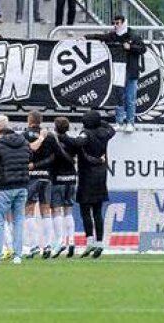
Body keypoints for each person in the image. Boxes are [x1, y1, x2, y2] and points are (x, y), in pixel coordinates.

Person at [60, 110, 115, 258]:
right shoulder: (104, 133)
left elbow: (77, 143)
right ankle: (100, 243)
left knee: (85, 210)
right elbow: (112, 130)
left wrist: (61, 136)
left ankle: (90, 241)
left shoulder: (86, 134)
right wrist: (101, 122)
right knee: (97, 211)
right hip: (101, 174)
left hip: (87, 175)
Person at [0, 114, 30, 265]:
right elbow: (29, 159)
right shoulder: (25, 144)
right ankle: (17, 256)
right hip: (22, 186)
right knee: (19, 221)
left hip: (4, 187)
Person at [86, 16, 146, 132]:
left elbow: (143, 49)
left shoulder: (133, 35)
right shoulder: (113, 35)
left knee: (130, 98)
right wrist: (86, 37)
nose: (115, 25)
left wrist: (131, 47)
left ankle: (130, 122)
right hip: (118, 71)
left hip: (131, 71)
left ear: (123, 23)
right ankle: (119, 122)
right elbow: (101, 37)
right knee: (119, 97)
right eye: (114, 23)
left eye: (117, 23)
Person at [23, 110, 58, 259]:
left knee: (29, 210)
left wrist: (33, 165)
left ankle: (33, 246)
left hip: (31, 177)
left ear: (30, 120)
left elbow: (25, 152)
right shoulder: (50, 136)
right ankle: (48, 245)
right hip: (46, 176)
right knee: (45, 211)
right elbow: (54, 156)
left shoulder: (25, 135)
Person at [48, 116, 78, 258]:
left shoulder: (53, 141)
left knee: (56, 210)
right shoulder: (73, 141)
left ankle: (59, 241)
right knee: (68, 211)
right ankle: (71, 241)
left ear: (55, 127)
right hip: (71, 178)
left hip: (57, 179)